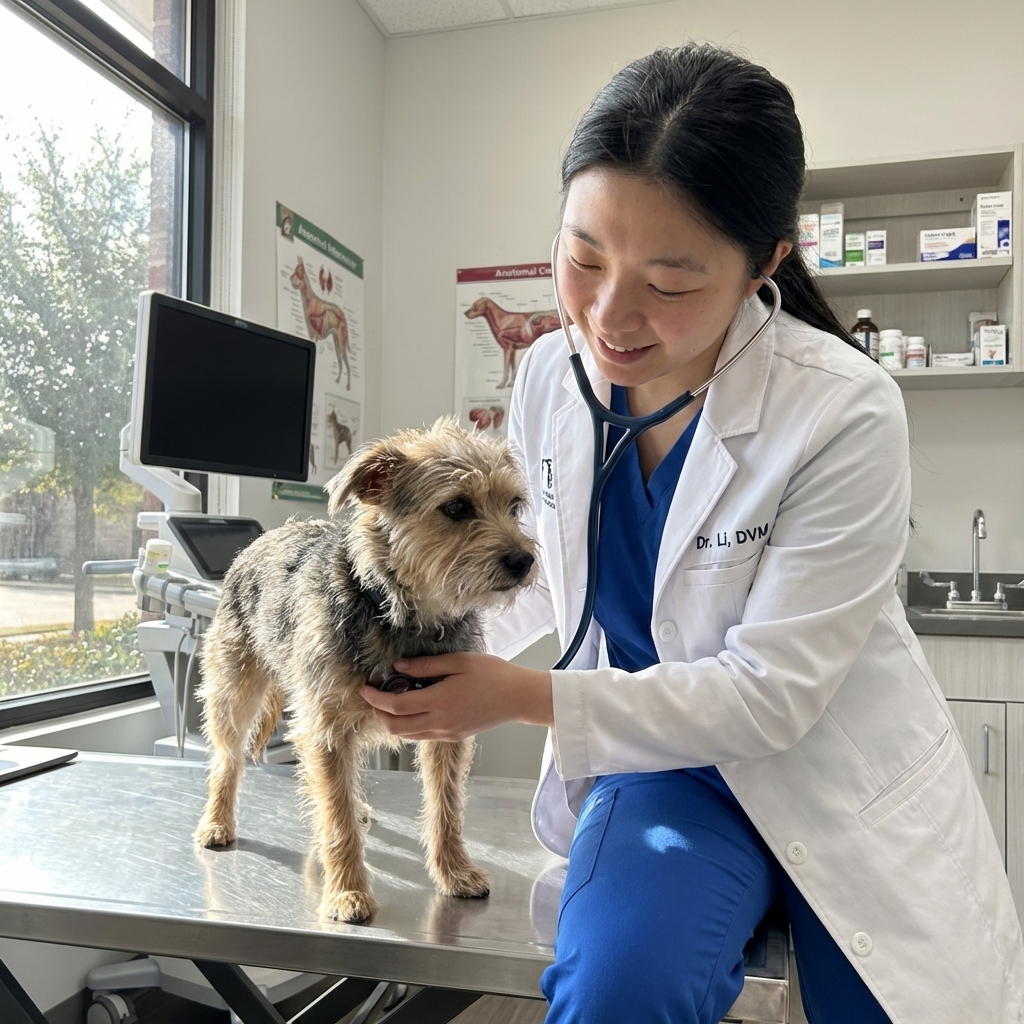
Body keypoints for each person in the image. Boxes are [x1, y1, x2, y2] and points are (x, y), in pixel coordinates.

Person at [361, 44, 1024, 1024]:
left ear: (765, 264)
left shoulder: (843, 409)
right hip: (658, 767)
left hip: (829, 770)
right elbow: (552, 572)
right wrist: (415, 658)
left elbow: (770, 697)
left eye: (669, 283)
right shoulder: (549, 373)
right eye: (583, 258)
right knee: (618, 992)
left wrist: (512, 696)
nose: (608, 316)